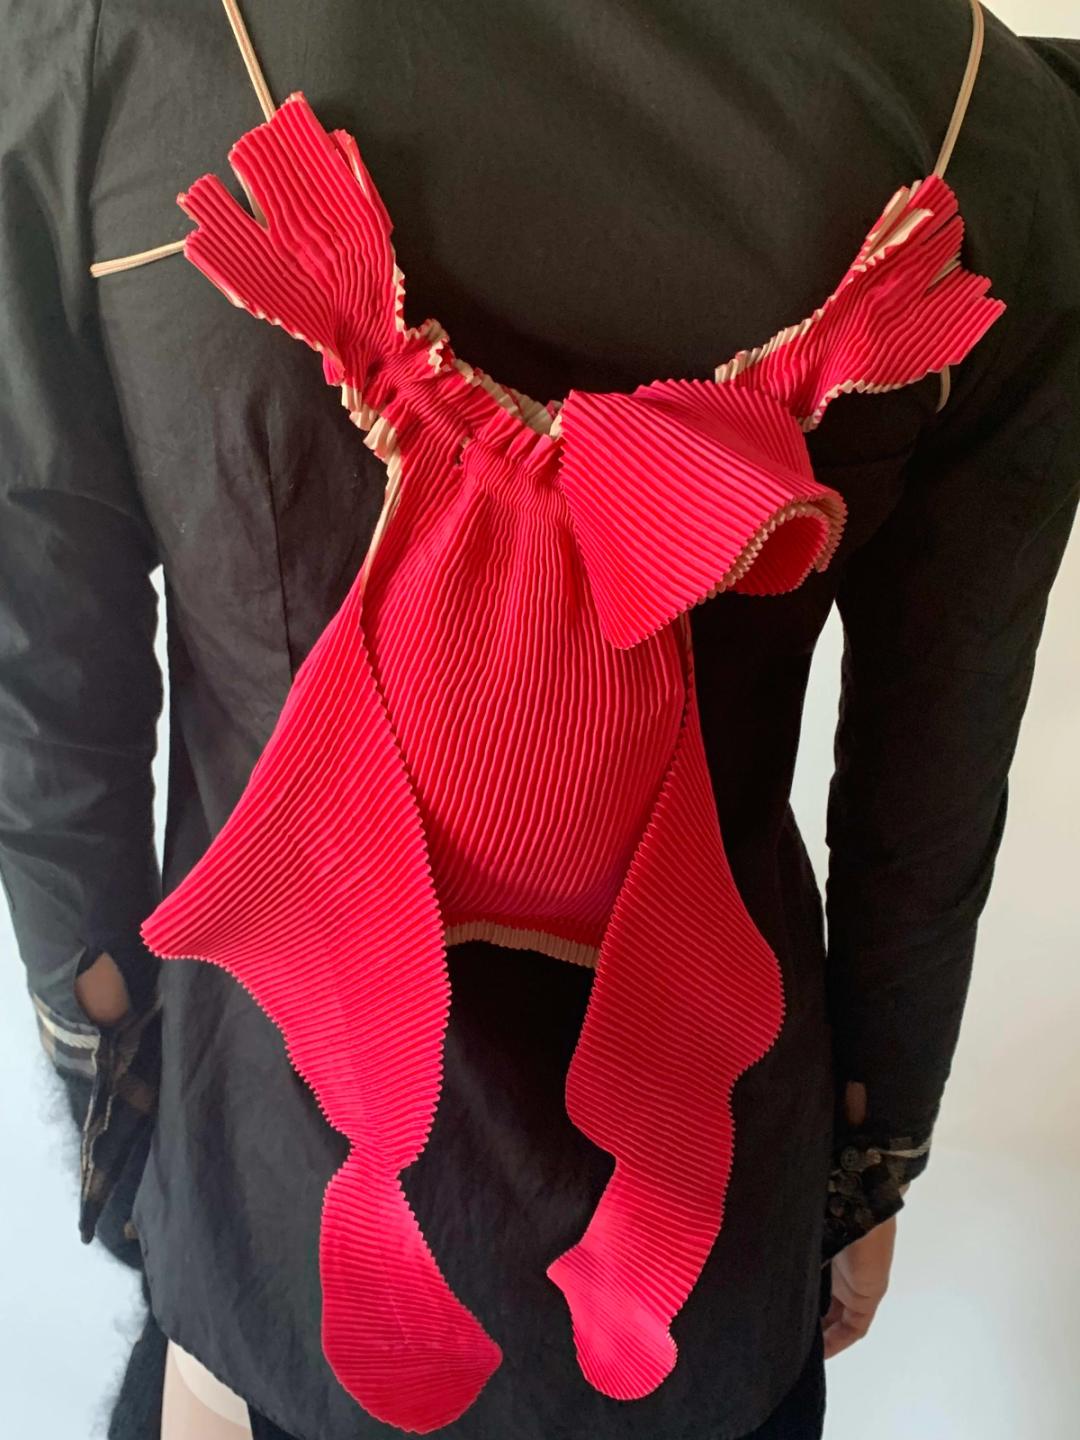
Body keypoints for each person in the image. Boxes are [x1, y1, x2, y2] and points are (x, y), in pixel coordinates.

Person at [0, 1, 1077, 1437]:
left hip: (258, 1191)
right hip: (716, 1256)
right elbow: (928, 788)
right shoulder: (982, 124)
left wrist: (111, 1094)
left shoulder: (111, 52)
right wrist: (873, 1157)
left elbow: (43, 692)